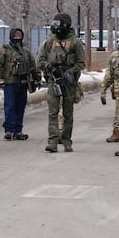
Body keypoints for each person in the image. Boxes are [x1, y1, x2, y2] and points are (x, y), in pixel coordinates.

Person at [36, 12, 85, 153]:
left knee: (68, 113)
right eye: (54, 23)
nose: (55, 26)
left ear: (65, 25)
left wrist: (70, 72)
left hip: (69, 82)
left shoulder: (75, 42)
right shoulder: (49, 41)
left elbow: (81, 63)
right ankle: (52, 142)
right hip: (54, 81)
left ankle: (67, 141)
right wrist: (50, 67)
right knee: (53, 112)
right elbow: (40, 60)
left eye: (58, 23)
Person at [0, 28, 40, 141]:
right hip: (10, 83)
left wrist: (37, 78)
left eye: (19, 36)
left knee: (20, 107)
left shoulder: (25, 52)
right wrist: (1, 78)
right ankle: (9, 130)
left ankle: (18, 130)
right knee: (10, 107)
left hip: (23, 83)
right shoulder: (4, 51)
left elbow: (33, 66)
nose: (17, 38)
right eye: (15, 36)